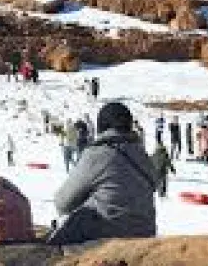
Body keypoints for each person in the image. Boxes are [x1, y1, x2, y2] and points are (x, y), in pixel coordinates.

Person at [47, 102, 156, 245]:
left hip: (105, 234)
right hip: (145, 234)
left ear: (101, 126)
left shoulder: (98, 153)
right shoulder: (142, 155)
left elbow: (63, 202)